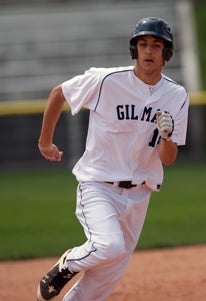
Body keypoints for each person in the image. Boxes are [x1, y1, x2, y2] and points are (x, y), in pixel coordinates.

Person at [37, 17, 189, 301]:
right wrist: (45, 142)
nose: (149, 51)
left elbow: (168, 159)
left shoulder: (177, 95)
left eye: (156, 45)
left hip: (140, 194)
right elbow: (60, 93)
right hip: (98, 184)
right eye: (143, 44)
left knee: (101, 285)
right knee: (108, 245)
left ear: (166, 53)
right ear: (134, 49)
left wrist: (166, 136)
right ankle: (67, 263)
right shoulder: (107, 80)